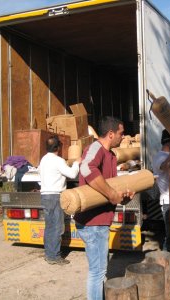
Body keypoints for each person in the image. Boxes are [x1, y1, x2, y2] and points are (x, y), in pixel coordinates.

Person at [74, 116, 135, 300]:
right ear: (110, 134)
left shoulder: (111, 156)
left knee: (100, 270)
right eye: (121, 133)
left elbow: (111, 190)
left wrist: (121, 198)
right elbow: (86, 168)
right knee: (97, 273)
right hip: (92, 223)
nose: (123, 137)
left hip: (100, 222)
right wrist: (110, 193)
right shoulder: (95, 148)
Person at [39, 135, 80, 265]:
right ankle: (55, 256)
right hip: (55, 196)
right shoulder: (58, 160)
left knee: (49, 226)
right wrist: (77, 163)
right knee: (57, 227)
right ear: (57, 147)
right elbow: (73, 174)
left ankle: (49, 254)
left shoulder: (43, 160)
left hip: (45, 195)